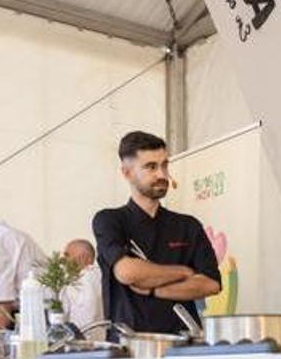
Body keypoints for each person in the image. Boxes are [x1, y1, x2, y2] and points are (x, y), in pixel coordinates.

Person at [93, 131, 221, 335]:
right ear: (127, 173)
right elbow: (127, 272)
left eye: (165, 165)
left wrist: (155, 289)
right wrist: (184, 272)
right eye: (151, 167)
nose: (162, 174)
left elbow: (211, 284)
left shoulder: (187, 225)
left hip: (183, 344)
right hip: (129, 345)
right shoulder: (109, 220)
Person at [61, 239, 105, 340]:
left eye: (67, 255)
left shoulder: (86, 277)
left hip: (84, 339)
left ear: (85, 257)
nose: (64, 260)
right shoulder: (99, 275)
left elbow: (88, 314)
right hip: (98, 338)